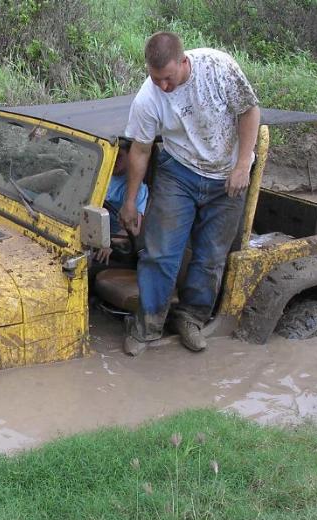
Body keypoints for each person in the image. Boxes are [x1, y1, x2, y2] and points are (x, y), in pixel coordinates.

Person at [118, 31, 260, 355]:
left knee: (210, 256)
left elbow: (249, 111)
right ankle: (147, 325)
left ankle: (191, 318)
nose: (163, 86)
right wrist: (130, 201)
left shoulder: (219, 68)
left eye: (168, 78)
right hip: (178, 171)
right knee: (160, 252)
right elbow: (140, 150)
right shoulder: (148, 98)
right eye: (156, 79)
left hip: (227, 175)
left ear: (184, 61)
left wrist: (242, 166)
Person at [94, 144, 148, 266]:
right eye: (112, 154)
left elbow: (134, 229)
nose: (114, 159)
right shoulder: (100, 174)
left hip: (117, 246)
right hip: (92, 236)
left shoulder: (136, 189)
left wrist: (109, 242)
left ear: (131, 157)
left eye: (119, 156)